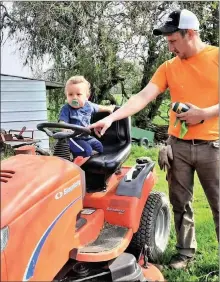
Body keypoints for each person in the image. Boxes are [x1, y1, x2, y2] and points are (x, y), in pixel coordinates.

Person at [89, 9, 219, 269]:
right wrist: (112, 118)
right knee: (180, 203)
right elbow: (142, 96)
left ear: (190, 34)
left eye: (174, 41)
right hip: (177, 146)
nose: (170, 48)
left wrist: (204, 114)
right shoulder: (169, 67)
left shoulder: (216, 57)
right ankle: (184, 253)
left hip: (212, 147)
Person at [59, 75, 115, 158]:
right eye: (70, 94)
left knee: (99, 147)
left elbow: (99, 107)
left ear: (87, 97)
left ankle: (84, 155)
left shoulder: (88, 106)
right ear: (66, 96)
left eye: (78, 94)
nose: (74, 98)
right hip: (73, 138)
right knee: (86, 150)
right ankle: (75, 157)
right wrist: (65, 129)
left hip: (86, 137)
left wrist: (109, 108)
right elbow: (62, 122)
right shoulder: (66, 108)